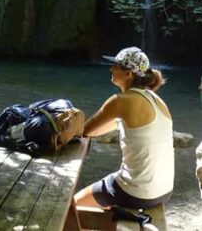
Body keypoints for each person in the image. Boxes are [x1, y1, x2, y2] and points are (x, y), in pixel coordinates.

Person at [74, 46, 174, 212]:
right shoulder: (157, 100)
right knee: (108, 197)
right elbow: (104, 128)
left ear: (128, 73)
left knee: (74, 204)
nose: (111, 69)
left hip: (136, 192)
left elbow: (87, 131)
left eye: (116, 66)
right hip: (164, 191)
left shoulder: (121, 101)